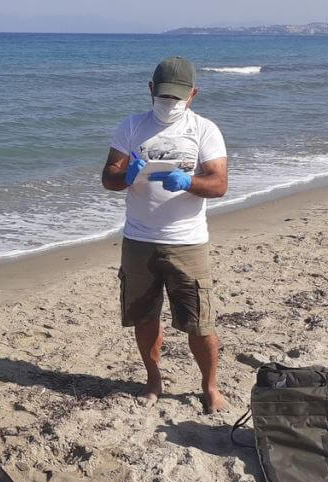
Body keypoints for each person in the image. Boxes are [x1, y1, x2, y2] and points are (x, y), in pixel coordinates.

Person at [101, 56, 229, 413]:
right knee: (144, 315)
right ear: (150, 90)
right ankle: (153, 379)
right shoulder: (131, 127)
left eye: (177, 97)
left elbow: (219, 184)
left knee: (200, 323)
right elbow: (108, 176)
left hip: (187, 241)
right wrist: (125, 176)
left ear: (193, 94)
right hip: (139, 240)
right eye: (163, 96)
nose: (168, 103)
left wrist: (189, 181)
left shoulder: (205, 130)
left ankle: (210, 386)